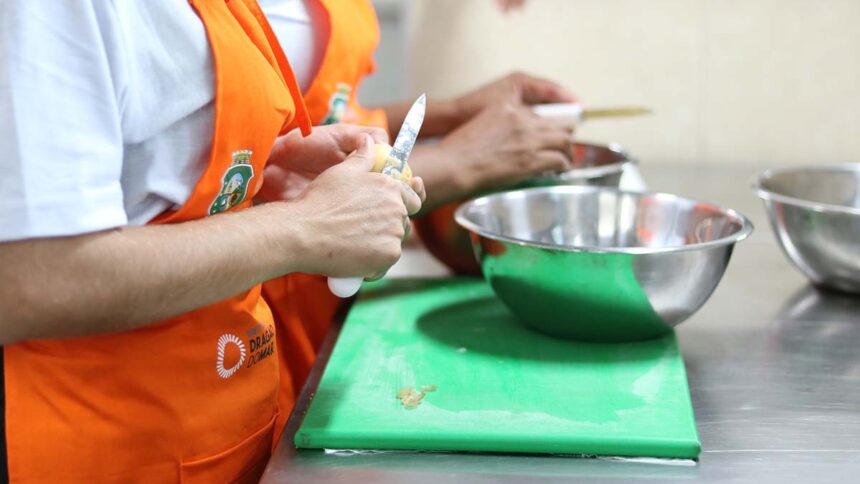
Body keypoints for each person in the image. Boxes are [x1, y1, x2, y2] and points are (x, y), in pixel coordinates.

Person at [0, 1, 424, 482]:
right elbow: (34, 279)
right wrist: (304, 226)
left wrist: (262, 173)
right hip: (106, 449)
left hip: (223, 431)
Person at [259, 0, 579, 437]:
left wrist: (455, 112)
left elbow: (325, 122)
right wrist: (459, 160)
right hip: (245, 331)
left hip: (314, 317)